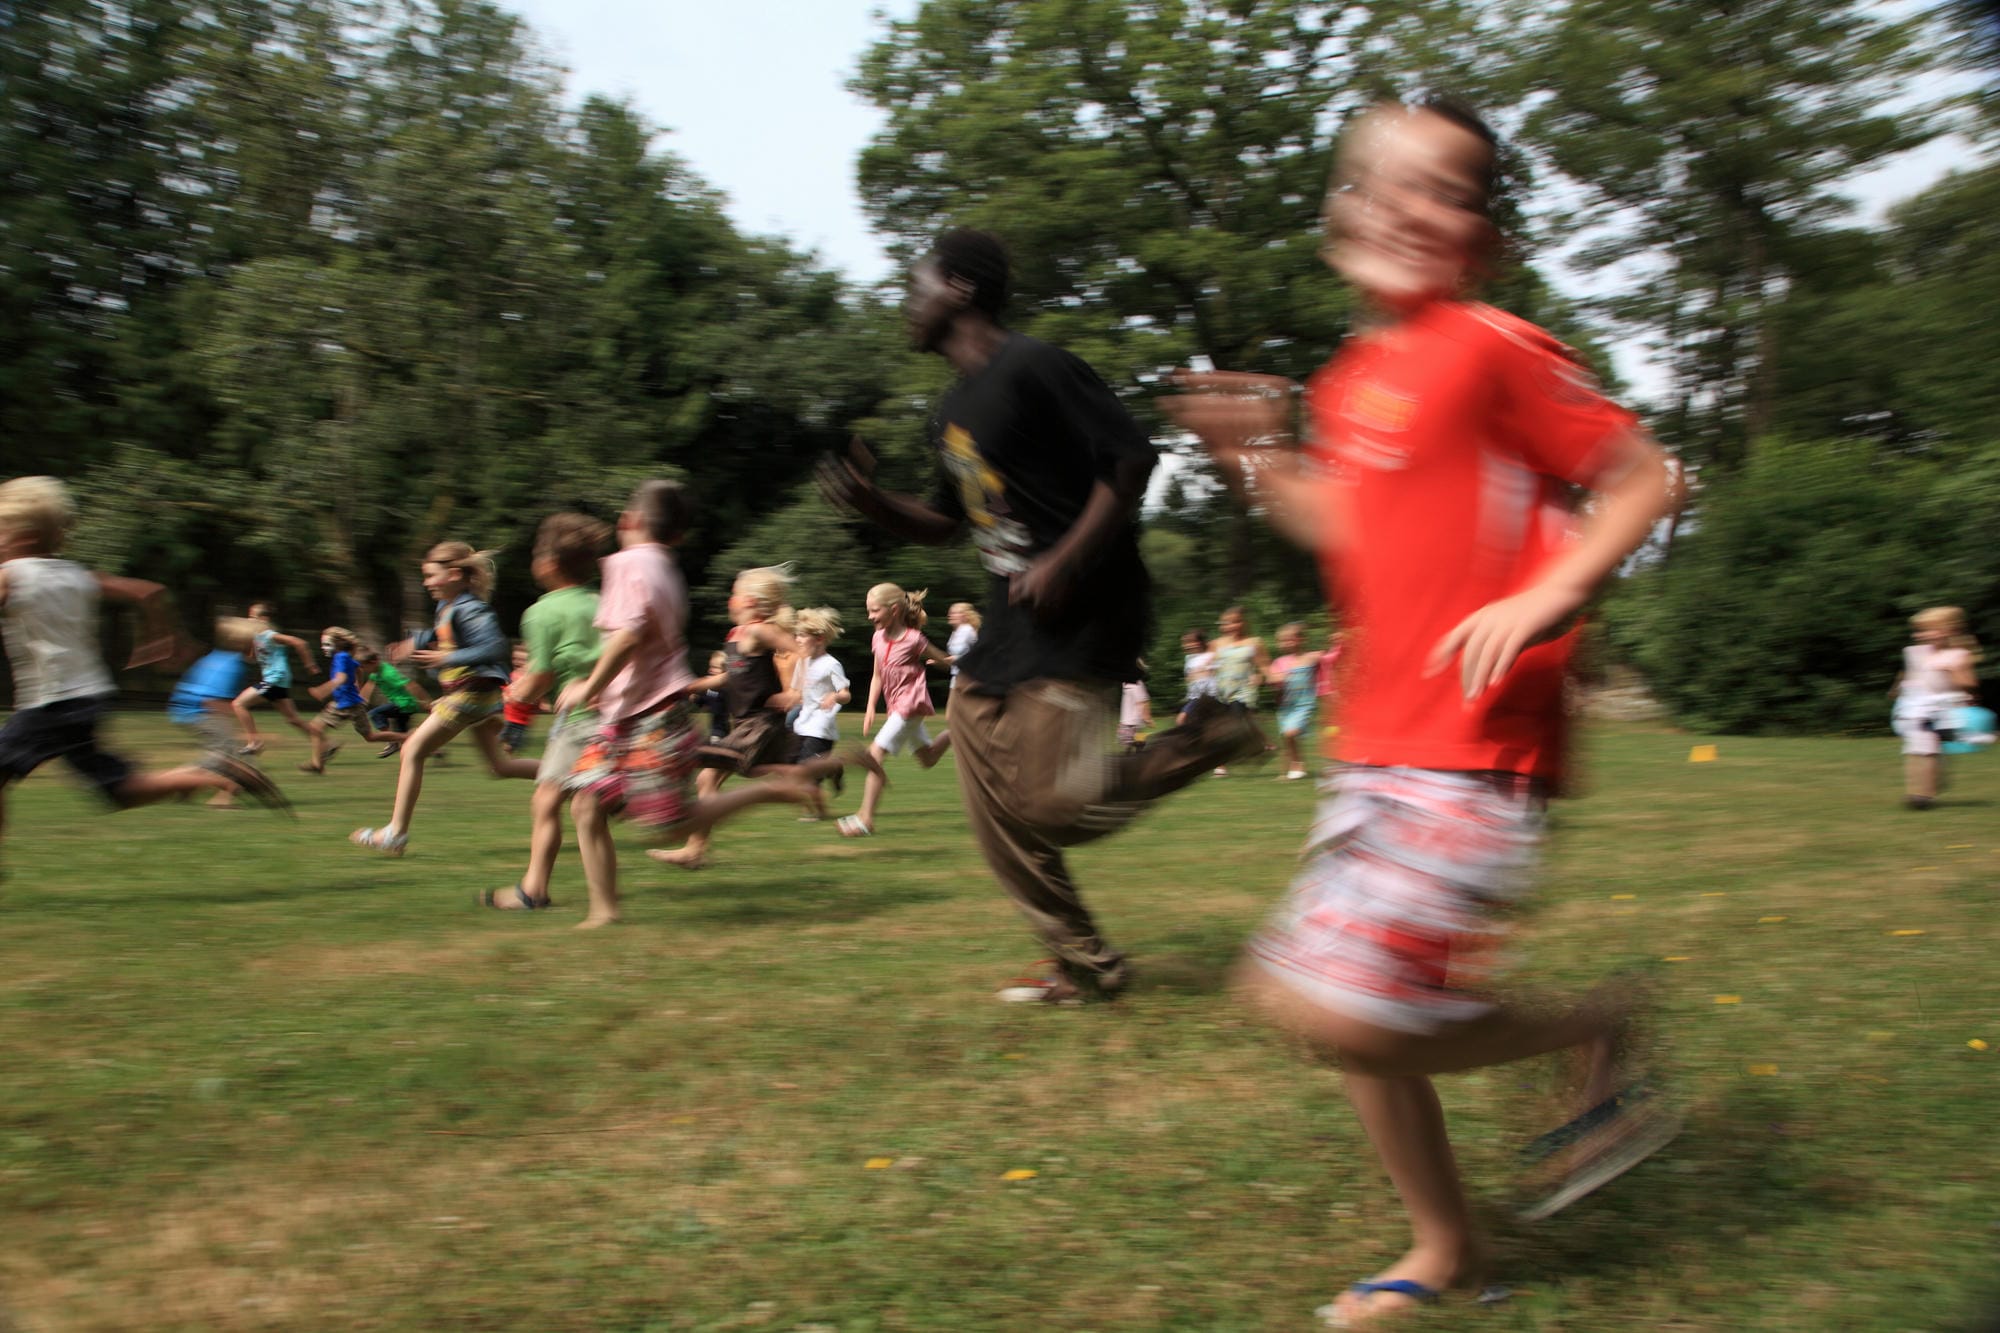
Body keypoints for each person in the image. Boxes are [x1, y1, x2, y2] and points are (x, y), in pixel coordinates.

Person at [1166, 98, 1681, 1326]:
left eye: (1442, 190)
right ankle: (1442, 1246)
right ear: (1337, 213)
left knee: (1332, 1002)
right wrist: (1253, 457)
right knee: (1332, 1012)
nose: (1402, 206)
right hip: (1377, 743)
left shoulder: (1492, 343)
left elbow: (1641, 475)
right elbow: (1346, 524)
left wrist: (1549, 592)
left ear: (1482, 240)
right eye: (1375, 181)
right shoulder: (1350, 382)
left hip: (1480, 742)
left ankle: (1593, 1029)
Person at [816, 228, 1265, 1000]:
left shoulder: (1036, 366)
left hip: (1087, 604)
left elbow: (1131, 459)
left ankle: (1212, 734)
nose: (907, 301)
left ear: (961, 288)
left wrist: (1064, 560)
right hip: (1010, 619)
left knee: (1054, 805)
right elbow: (947, 521)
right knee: (992, 802)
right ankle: (1083, 963)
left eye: (919, 284)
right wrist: (871, 502)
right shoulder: (953, 409)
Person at [559, 481, 823, 929]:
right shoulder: (665, 567)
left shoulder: (628, 563)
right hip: (627, 714)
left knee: (668, 824)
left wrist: (590, 684)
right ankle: (604, 911)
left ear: (628, 521)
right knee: (586, 804)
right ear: (678, 535)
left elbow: (629, 636)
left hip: (651, 718)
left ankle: (771, 790)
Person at [0, 477, 287, 865]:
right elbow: (149, 592)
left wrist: (158, 641)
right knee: (119, 790)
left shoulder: (12, 575)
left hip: (51, 703)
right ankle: (214, 772)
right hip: (88, 698)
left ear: (25, 535)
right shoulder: (77, 575)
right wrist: (161, 638)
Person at [651, 565, 862, 868]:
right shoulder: (735, 636)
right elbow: (729, 678)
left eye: (734, 594)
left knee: (705, 768)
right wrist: (685, 689)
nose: (730, 599)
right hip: (745, 724)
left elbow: (799, 653)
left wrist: (794, 692)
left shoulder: (759, 630)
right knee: (721, 777)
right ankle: (834, 765)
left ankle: (693, 849)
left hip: (759, 725)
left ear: (749, 601)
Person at [350, 541, 536, 855]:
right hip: (473, 695)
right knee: (500, 767)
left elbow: (494, 647)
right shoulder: (446, 608)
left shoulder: (472, 608)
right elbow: (439, 633)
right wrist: (415, 642)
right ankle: (571, 779)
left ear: (453, 574)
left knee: (412, 749)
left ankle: (396, 833)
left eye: (430, 576)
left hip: (472, 693)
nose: (426, 583)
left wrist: (444, 659)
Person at [480, 512, 609, 910]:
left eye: (537, 554)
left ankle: (534, 890)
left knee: (548, 799)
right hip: (614, 714)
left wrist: (513, 695)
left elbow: (540, 675)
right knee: (569, 800)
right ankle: (546, 890)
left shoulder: (542, 612)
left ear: (549, 564)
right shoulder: (603, 601)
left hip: (579, 719)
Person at [839, 582, 953, 837]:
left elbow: (944, 661)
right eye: (868, 611)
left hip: (911, 704)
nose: (870, 616)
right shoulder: (877, 638)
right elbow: (877, 676)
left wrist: (958, 663)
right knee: (927, 758)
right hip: (895, 707)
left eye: (875, 610)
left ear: (893, 610)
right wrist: (870, 707)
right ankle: (957, 733)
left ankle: (865, 819)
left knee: (874, 754)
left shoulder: (914, 639)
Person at [1890, 606, 1981, 810]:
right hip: (1915, 708)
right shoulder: (1914, 652)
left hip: (1945, 710)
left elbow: (1970, 683)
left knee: (1930, 751)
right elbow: (1908, 674)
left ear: (1948, 630)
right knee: (1916, 749)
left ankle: (1928, 789)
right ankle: (1917, 795)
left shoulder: (1958, 655)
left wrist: (1953, 672)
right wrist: (1897, 690)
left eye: (1927, 629)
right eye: (1918, 630)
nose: (1919, 634)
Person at [166, 617, 261, 808]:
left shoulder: (218, 657)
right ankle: (170, 782)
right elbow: (212, 701)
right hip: (200, 711)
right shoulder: (232, 666)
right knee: (228, 759)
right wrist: (244, 730)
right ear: (247, 644)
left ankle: (189, 790)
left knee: (230, 756)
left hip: (188, 709)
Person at [300, 629, 405, 773]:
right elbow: (358, 669)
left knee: (315, 727)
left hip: (345, 704)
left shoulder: (340, 657)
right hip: (352, 703)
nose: (323, 647)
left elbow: (341, 678)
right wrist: (358, 686)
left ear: (337, 643)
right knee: (370, 737)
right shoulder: (345, 656)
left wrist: (322, 690)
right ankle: (407, 736)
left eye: (326, 644)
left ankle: (317, 764)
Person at [231, 602, 318, 755]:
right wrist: (243, 645)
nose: (250, 620)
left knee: (239, 704)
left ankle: (254, 743)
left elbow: (299, 642)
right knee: (293, 719)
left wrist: (310, 665)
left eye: (253, 617)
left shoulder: (271, 635)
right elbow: (251, 658)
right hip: (277, 680)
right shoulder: (257, 637)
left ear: (263, 619)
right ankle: (325, 743)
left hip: (275, 678)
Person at [788, 606, 852, 815]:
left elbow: (846, 694)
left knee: (806, 771)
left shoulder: (831, 664)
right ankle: (833, 767)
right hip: (802, 724)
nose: (797, 639)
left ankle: (815, 813)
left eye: (802, 635)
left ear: (819, 639)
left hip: (821, 728)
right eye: (796, 635)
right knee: (795, 768)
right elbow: (795, 693)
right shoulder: (802, 663)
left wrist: (834, 696)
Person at [1209, 606, 1270, 775]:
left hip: (1243, 690)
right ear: (1222, 625)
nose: (1232, 626)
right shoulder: (1216, 644)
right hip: (1222, 690)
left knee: (1234, 721)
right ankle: (1221, 763)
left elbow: (1264, 666)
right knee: (1220, 727)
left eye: (1236, 621)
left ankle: (1249, 747)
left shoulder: (1254, 642)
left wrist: (1261, 677)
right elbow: (1210, 667)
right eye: (1228, 622)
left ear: (1244, 622)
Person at [1267, 622, 1325, 780]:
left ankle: (1297, 766)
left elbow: (1329, 661)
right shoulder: (1279, 662)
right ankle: (1296, 766)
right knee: (1288, 738)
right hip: (1285, 705)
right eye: (1282, 641)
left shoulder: (1311, 657)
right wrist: (1279, 678)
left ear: (1301, 639)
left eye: (1289, 639)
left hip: (1304, 704)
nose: (1285, 643)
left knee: (1290, 733)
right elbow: (1271, 678)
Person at [364, 658, 430, 758]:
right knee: (406, 739)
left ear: (373, 662)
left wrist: (426, 701)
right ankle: (436, 752)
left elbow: (411, 684)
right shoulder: (375, 673)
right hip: (403, 705)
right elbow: (368, 687)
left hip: (404, 703)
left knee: (375, 713)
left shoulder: (388, 673)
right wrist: (361, 701)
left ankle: (392, 742)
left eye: (364, 667)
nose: (363, 670)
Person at [1174, 628, 1217, 726]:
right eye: (1185, 642)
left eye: (1190, 642)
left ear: (1200, 642)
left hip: (1206, 695)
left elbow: (1213, 674)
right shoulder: (1189, 658)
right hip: (1194, 696)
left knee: (1181, 719)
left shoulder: (1209, 656)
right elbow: (1189, 676)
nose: (1187, 645)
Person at [499, 645, 537, 755]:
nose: (518, 662)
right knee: (502, 737)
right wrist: (505, 695)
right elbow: (505, 688)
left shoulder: (532, 679)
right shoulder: (512, 675)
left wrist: (536, 700)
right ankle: (502, 755)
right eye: (516, 659)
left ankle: (508, 757)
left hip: (522, 721)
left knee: (514, 743)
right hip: (510, 717)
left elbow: (536, 695)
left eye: (523, 660)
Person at [946, 602, 981, 686]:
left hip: (967, 677)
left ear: (964, 616)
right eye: (950, 613)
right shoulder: (955, 632)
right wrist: (938, 661)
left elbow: (978, 653)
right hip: (956, 676)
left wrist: (958, 659)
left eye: (954, 613)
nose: (949, 615)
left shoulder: (968, 631)